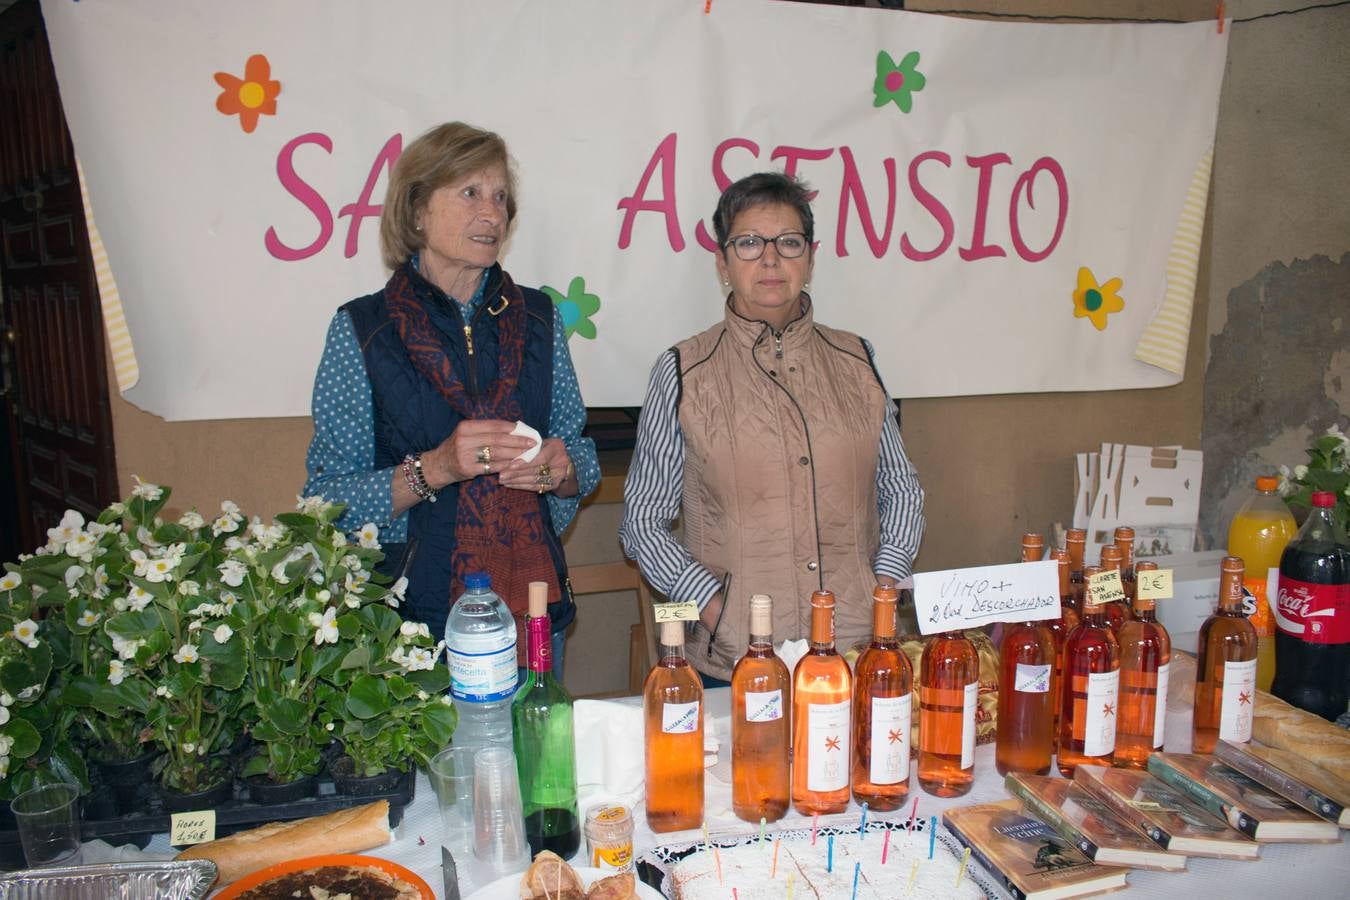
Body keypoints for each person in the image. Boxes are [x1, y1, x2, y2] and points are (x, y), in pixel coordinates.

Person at [303, 122, 599, 675]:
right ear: (417, 211)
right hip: (414, 626)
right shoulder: (362, 330)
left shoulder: (538, 318)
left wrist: (560, 470)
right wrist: (434, 469)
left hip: (532, 610)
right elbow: (325, 504)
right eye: (470, 193)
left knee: (535, 760)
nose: (491, 213)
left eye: (501, 197)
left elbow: (580, 454)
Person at [619, 171, 924, 685]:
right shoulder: (683, 371)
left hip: (854, 648)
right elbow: (643, 522)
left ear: (810, 256)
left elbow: (901, 488)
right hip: (739, 657)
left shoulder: (856, 359)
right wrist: (717, 609)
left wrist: (884, 587)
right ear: (722, 260)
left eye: (788, 242)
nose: (770, 260)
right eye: (748, 243)